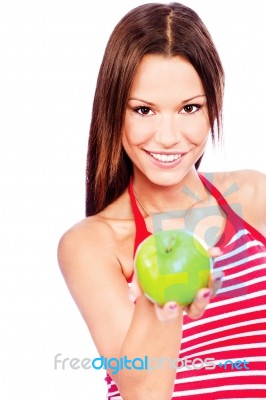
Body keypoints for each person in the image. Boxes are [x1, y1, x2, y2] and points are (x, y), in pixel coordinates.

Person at [57, 2, 266, 399]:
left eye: (189, 108)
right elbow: (143, 393)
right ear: (114, 112)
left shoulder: (253, 197)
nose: (168, 137)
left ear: (212, 107)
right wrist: (161, 309)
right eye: (144, 110)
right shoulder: (92, 245)